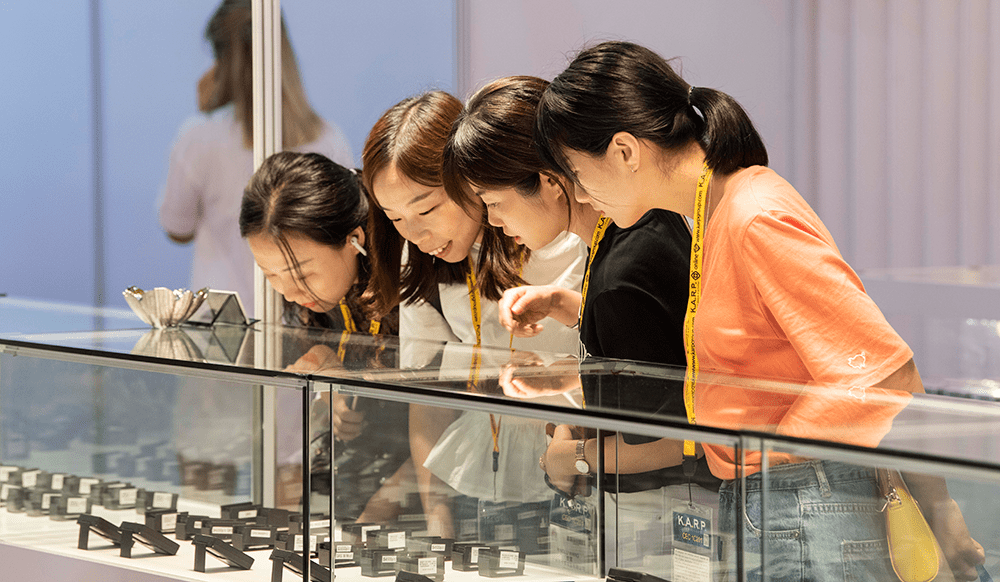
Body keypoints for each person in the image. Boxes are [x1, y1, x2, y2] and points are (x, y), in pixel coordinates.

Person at [532, 41, 986, 581]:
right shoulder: (718, 211)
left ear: (625, 151)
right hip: (778, 497)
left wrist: (777, 457)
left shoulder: (753, 213)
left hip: (801, 500)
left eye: (578, 172)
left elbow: (885, 372)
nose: (583, 194)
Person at [442, 75, 718, 571]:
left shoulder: (627, 263)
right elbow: (643, 343)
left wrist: (573, 458)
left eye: (493, 202)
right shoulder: (627, 229)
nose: (494, 221)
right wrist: (565, 305)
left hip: (669, 518)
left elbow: (683, 442)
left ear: (549, 182)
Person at [361, 90, 586, 547]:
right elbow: (429, 396)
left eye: (427, 208)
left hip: (579, 474)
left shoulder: (567, 234)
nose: (415, 233)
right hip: (474, 480)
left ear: (468, 178)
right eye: (395, 218)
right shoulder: (422, 259)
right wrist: (436, 515)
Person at [239, 151, 408, 521]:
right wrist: (330, 383)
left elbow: (448, 408)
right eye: (270, 275)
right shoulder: (317, 299)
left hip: (419, 481)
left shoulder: (411, 281)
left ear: (354, 239)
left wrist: (388, 501)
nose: (288, 292)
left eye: (302, 274)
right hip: (358, 477)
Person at [159, 0, 353, 316]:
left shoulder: (200, 137)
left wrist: (205, 113)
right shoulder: (329, 139)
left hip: (222, 321)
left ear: (220, 63)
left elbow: (177, 228)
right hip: (304, 320)